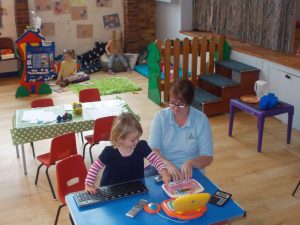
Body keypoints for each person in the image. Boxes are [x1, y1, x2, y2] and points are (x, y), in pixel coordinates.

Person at [85, 112, 171, 194]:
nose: (137, 141)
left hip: (136, 187)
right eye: (133, 140)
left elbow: (155, 159)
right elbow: (95, 167)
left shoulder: (142, 146)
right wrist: (88, 184)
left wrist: (164, 171)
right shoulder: (109, 152)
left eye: (138, 137)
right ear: (120, 139)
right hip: (111, 190)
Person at [147, 79, 213, 182]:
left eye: (181, 104)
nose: (176, 109)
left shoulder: (201, 120)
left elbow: (207, 158)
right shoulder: (160, 117)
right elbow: (152, 151)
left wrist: (191, 163)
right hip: (162, 168)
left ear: (189, 102)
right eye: (172, 103)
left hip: (189, 172)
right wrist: (167, 164)